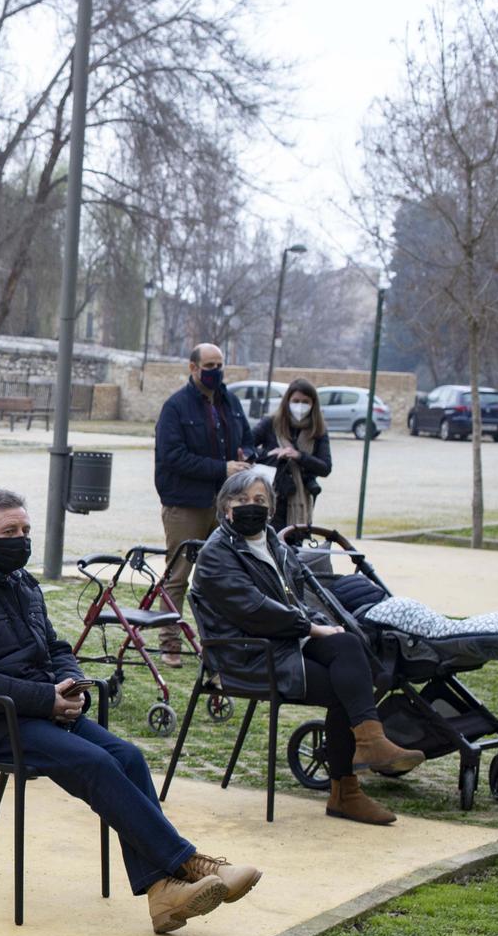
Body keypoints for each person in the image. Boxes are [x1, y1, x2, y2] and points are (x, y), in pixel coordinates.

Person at [0, 487, 262, 935]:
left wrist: (70, 682)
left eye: (25, 530)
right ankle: (189, 863)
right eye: (9, 531)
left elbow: (57, 646)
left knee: (129, 757)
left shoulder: (22, 584)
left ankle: (162, 893)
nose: (21, 539)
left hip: (40, 709)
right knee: (96, 763)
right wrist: (46, 698)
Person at [191, 468, 424, 825]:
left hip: (286, 642)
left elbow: (298, 598)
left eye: (259, 500)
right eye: (241, 501)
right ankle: (347, 788)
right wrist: (311, 629)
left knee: (348, 646)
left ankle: (368, 747)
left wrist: (322, 625)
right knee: (348, 685)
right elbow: (254, 610)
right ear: (225, 508)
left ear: (271, 509)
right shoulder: (215, 555)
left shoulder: (274, 543)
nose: (250, 507)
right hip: (250, 655)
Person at [152, 343, 252, 665]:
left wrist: (247, 456)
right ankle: (169, 642)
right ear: (193, 368)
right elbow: (172, 457)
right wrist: (221, 467)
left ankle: (219, 646)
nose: (216, 371)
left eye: (220, 364)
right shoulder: (176, 407)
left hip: (225, 504)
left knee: (221, 576)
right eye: (209, 365)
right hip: (186, 503)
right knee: (178, 573)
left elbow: (247, 439)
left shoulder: (230, 402)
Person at [251, 378, 332, 531]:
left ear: (313, 404)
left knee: (294, 545)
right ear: (287, 401)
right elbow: (246, 446)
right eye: (295, 400)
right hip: (272, 494)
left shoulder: (318, 430)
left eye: (305, 402)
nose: (300, 406)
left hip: (301, 499)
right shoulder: (271, 423)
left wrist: (299, 456)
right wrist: (268, 454)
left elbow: (325, 467)